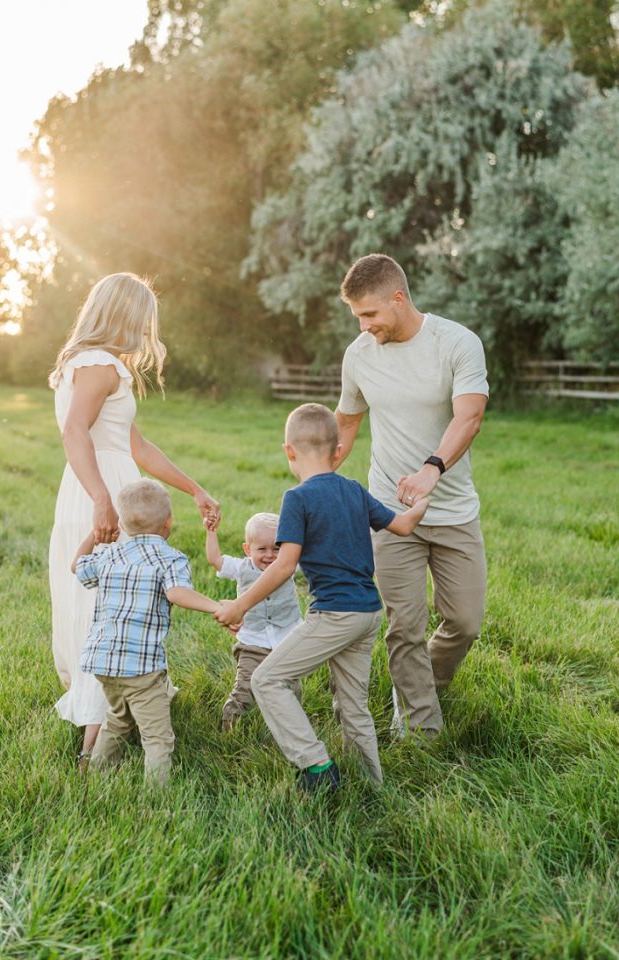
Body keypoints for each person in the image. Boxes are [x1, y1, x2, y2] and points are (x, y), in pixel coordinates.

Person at [48, 271, 220, 767]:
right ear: (126, 314)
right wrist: (101, 498)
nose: (148, 330)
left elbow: (137, 445)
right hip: (100, 490)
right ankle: (97, 740)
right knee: (112, 606)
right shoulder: (100, 365)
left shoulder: (88, 364)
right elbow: (75, 432)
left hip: (97, 484)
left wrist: (194, 489)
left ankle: (114, 713)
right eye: (144, 318)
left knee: (107, 600)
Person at [214, 404, 429, 792]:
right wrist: (422, 500)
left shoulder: (298, 498)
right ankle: (370, 787)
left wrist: (239, 605)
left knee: (267, 680)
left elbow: (282, 566)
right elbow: (403, 524)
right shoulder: (355, 490)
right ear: (337, 449)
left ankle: (316, 766)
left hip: (334, 614)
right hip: (368, 613)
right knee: (353, 706)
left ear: (289, 451)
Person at [335, 253, 489, 740]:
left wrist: (432, 468)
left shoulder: (457, 343)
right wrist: (315, 473)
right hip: (387, 510)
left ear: (398, 299)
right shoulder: (359, 354)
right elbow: (347, 422)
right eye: (358, 316)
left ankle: (425, 686)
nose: (364, 326)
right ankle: (419, 723)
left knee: (464, 621)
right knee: (404, 626)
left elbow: (469, 417)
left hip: (452, 510)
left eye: (370, 314)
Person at [72, 479, 235, 786]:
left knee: (118, 719)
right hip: (142, 669)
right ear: (169, 523)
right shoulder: (170, 558)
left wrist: (94, 536)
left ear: (121, 523)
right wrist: (216, 606)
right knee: (157, 738)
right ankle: (155, 799)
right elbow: (177, 593)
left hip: (104, 662)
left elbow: (76, 566)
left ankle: (96, 775)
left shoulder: (110, 555)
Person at [205, 512, 303, 731]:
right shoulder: (242, 568)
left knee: (291, 688)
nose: (270, 555)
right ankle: (230, 728)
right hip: (252, 641)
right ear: (248, 550)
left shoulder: (289, 566)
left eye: (277, 548)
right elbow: (215, 560)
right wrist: (211, 532)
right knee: (245, 688)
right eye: (262, 549)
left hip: (286, 639)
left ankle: (293, 728)